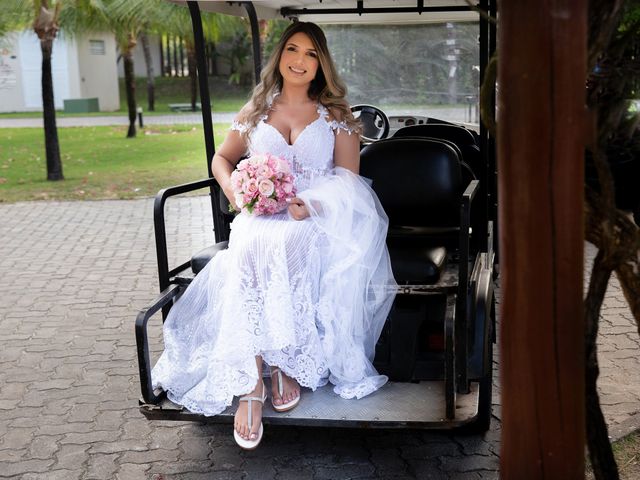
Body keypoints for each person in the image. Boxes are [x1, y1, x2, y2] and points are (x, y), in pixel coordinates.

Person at [152, 21, 396, 450]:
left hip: (314, 217)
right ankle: (256, 376)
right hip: (260, 216)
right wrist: (237, 191)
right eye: (293, 50)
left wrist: (312, 203)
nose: (300, 61)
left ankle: (278, 364)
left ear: (321, 64)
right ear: (280, 55)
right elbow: (222, 160)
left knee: (285, 244)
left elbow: (348, 181)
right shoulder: (257, 108)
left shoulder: (338, 115)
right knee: (249, 245)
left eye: (311, 54)